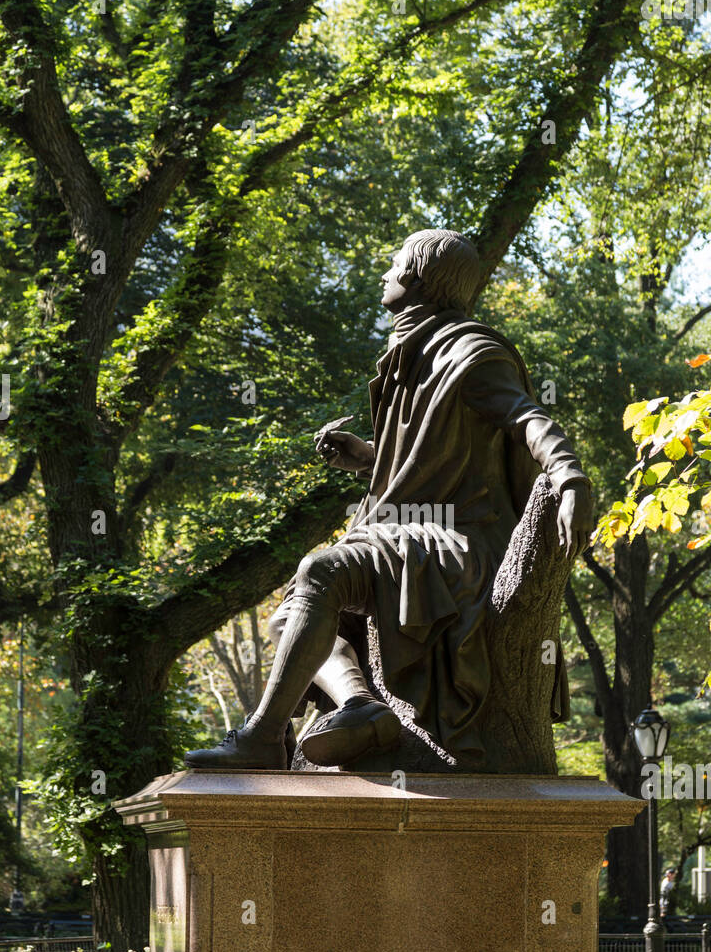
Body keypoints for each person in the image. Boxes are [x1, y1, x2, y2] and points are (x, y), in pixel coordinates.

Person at [185, 228, 594, 770]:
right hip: (408, 529)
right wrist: (366, 457)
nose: (385, 274)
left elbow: (528, 418)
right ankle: (361, 706)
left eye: (395, 264)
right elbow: (430, 458)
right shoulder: (414, 350)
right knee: (290, 611)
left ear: (420, 276)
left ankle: (262, 737)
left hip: (456, 539)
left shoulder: (474, 353)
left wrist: (570, 478)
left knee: (319, 573)